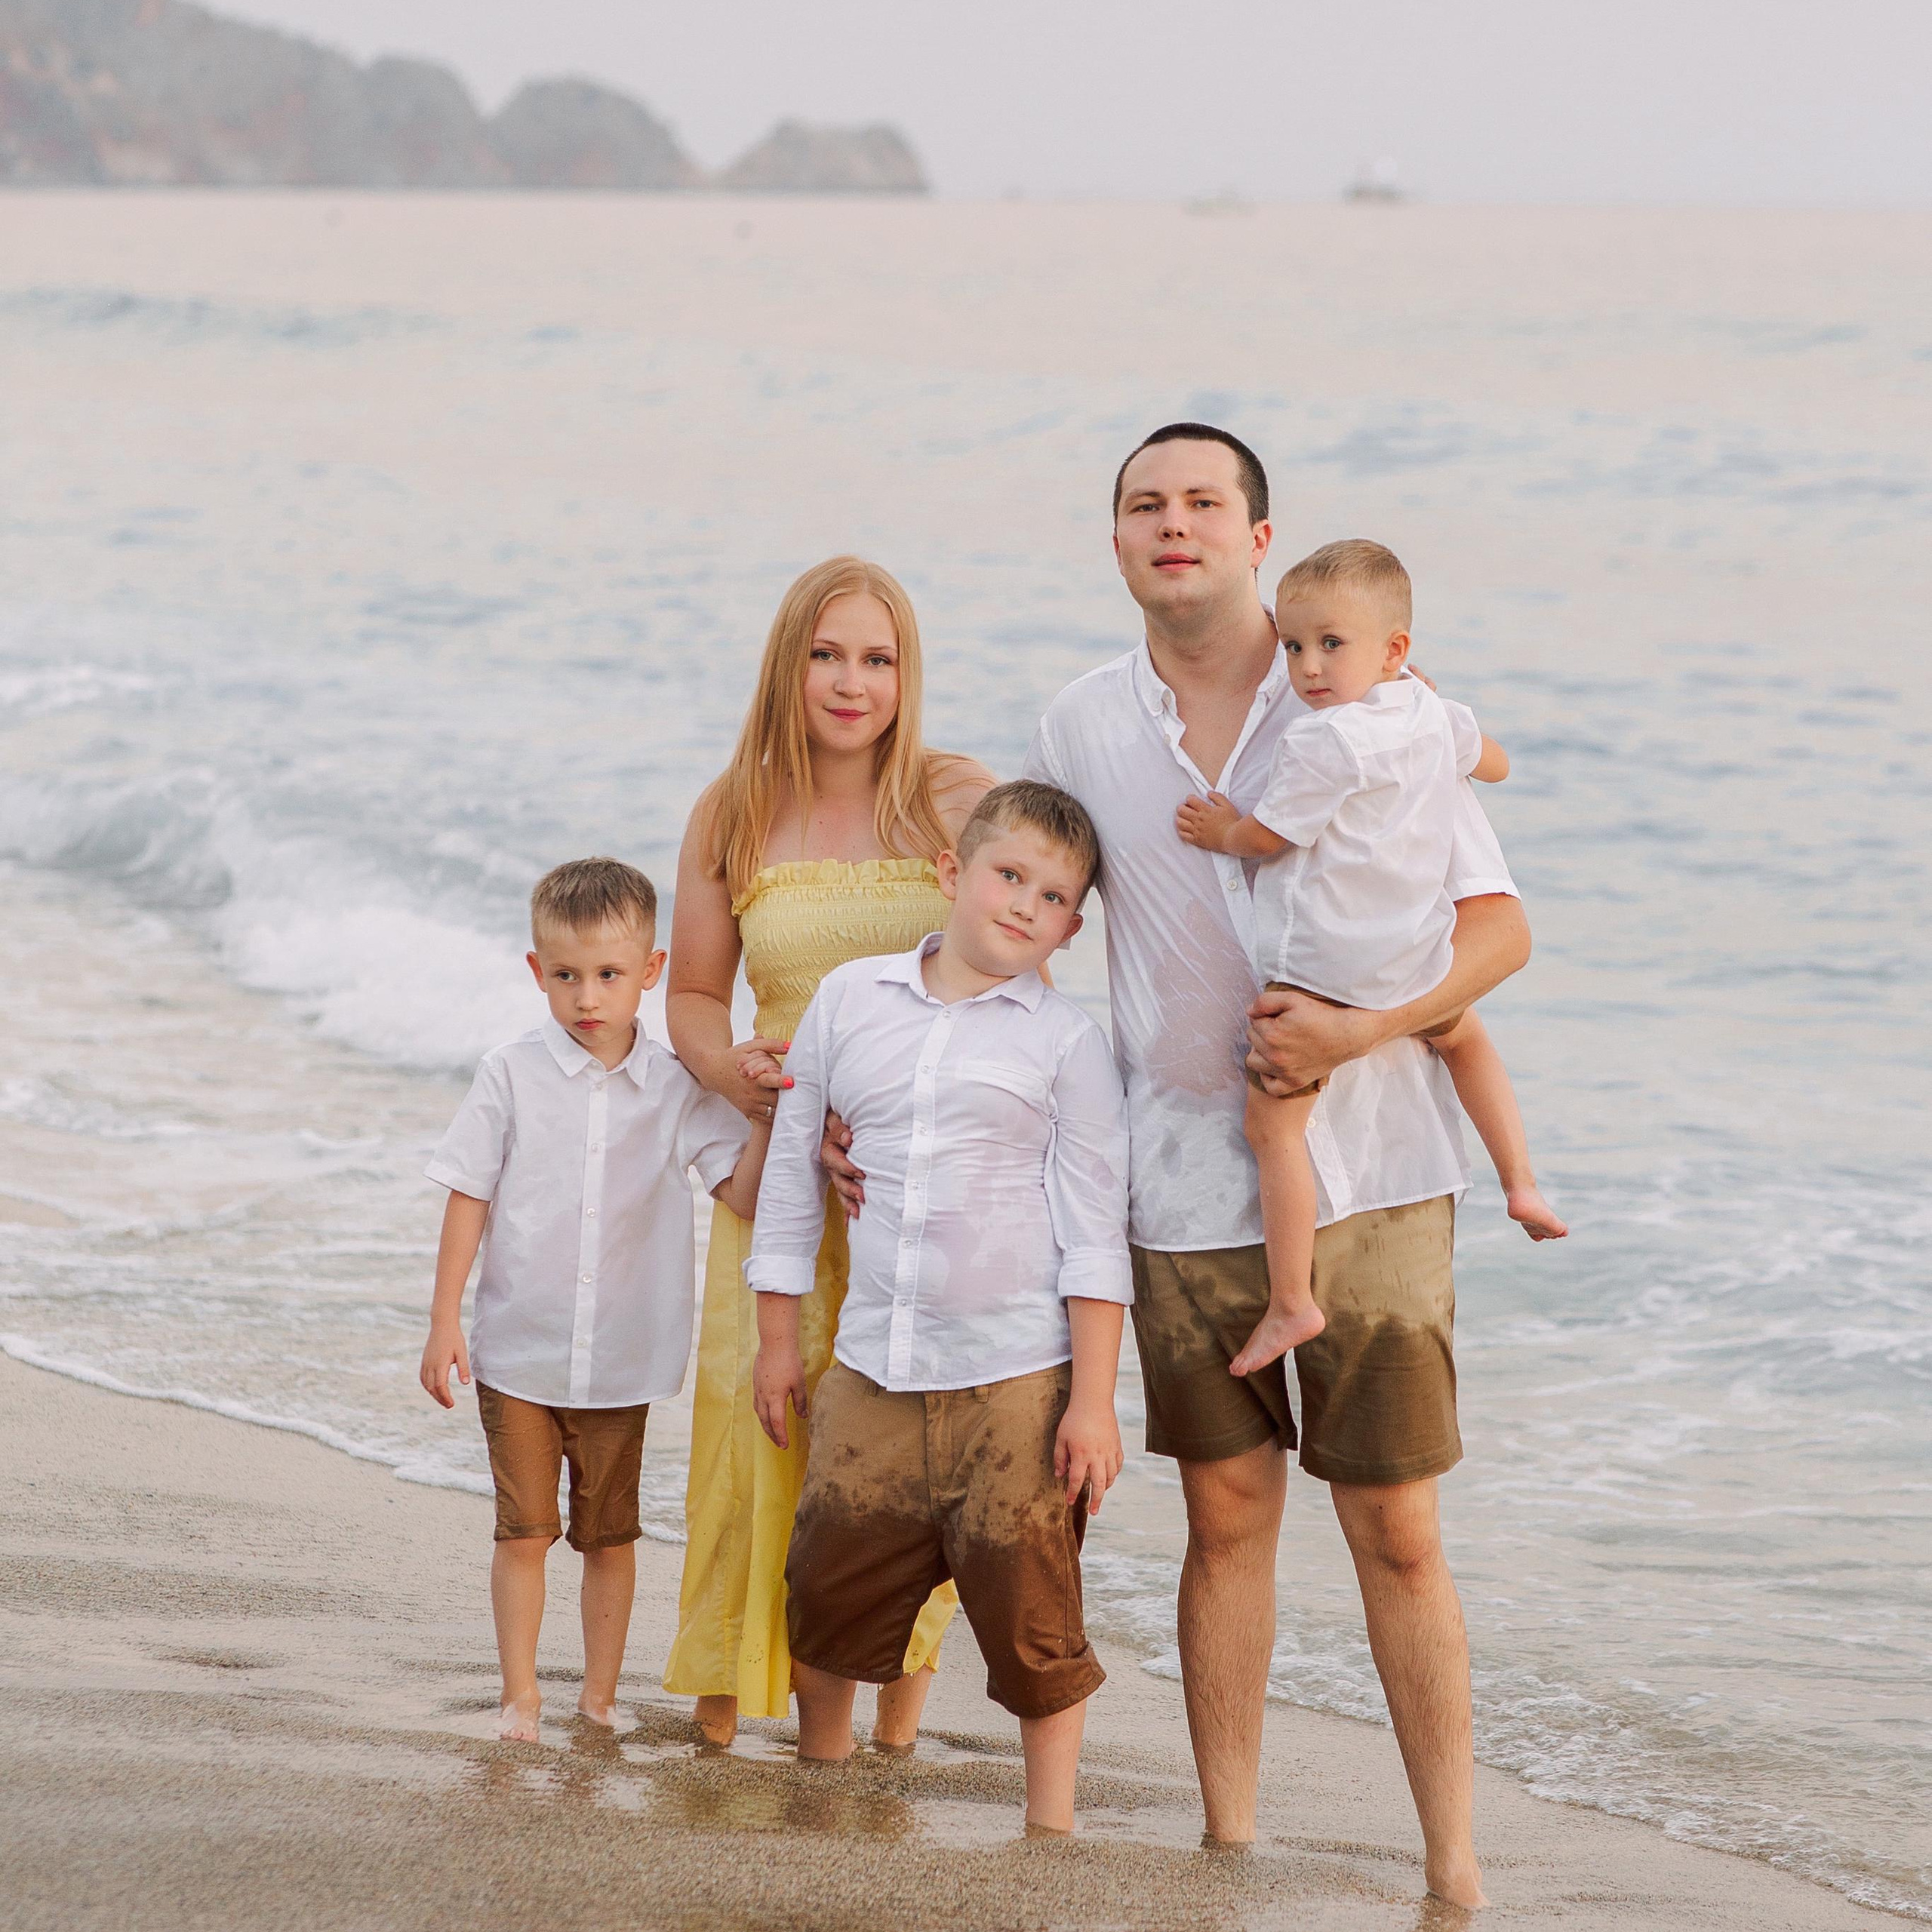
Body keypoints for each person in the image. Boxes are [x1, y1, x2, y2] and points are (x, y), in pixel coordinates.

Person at [1005, 423, 1530, 1908]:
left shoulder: (1370, 700)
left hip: (1368, 1169)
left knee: (1397, 1526)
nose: (1170, 522)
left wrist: (1363, 1027)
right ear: (1114, 543)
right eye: (1140, 503)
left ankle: (1451, 1865)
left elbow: (1498, 928)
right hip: (1173, 1171)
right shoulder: (1081, 725)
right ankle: (1225, 1847)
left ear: (1254, 534)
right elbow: (1015, 925)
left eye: (1201, 501)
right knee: (1223, 1515)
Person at [750, 781, 1130, 1835]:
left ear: (1072, 926)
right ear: (951, 873)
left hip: (1015, 1376)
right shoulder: (849, 999)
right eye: (1009, 875)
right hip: (872, 1363)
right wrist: (779, 1342)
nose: (1023, 905)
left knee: (1034, 1616)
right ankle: (821, 1786)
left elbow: (1096, 1234)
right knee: (827, 1591)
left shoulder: (1065, 1043)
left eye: (1052, 897)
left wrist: (1091, 1403)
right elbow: (793, 1173)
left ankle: (1048, 1830)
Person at [662, 556, 995, 1749]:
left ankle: (889, 1743)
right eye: (827, 654)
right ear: (788, 662)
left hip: (918, 1189)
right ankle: (716, 1731)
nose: (852, 683)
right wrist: (742, 1078)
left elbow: (1025, 954)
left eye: (879, 658)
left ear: (909, 675)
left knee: (909, 1464)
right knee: (762, 1457)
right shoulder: (733, 807)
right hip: (780, 1173)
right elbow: (695, 999)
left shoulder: (957, 800)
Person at [1175, 537, 1565, 1374]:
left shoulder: (1324, 742)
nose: (1309, 667)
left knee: (1272, 1125)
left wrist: (1221, 830)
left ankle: (1290, 1301)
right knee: (1462, 1036)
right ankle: (1521, 1180)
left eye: (1331, 645)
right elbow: (1495, 763)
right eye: (1294, 646)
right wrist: (1440, 714)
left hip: (1326, 976)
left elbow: (1274, 833)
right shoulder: (1431, 712)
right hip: (1417, 962)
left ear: (1393, 649)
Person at [417, 857, 768, 1743]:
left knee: (609, 1537)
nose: (587, 996)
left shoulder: (679, 1088)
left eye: (609, 974)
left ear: (651, 971)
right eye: (566, 975)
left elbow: (741, 1191)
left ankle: (600, 1696)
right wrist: (443, 1319)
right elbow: (469, 1192)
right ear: (537, 971)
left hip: (621, 1358)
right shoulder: (509, 1073)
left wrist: (771, 1114)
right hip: (518, 1351)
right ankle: (520, 1695)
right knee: (524, 1531)